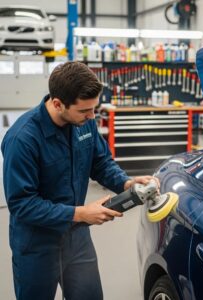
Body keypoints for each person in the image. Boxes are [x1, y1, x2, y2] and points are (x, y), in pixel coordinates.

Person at [1, 61, 158, 300]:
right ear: (58, 104)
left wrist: (125, 183)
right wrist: (79, 213)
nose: (91, 116)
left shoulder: (84, 123)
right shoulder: (22, 140)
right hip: (36, 244)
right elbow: (22, 204)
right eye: (84, 111)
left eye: (94, 108)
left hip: (77, 238)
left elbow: (101, 163)